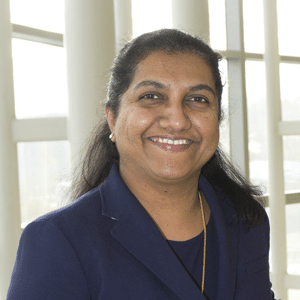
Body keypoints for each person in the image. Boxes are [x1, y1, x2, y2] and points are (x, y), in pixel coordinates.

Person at [7, 29, 275, 300]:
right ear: (112, 118)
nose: (177, 121)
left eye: (197, 99)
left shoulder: (246, 222)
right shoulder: (57, 241)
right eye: (151, 96)